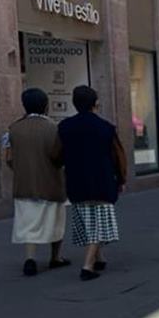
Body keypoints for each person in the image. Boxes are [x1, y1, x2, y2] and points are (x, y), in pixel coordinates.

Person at [58, 86, 127, 281]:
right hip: (102, 180)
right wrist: (121, 178)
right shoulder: (106, 127)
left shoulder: (65, 126)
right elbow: (118, 156)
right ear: (95, 103)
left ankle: (99, 257)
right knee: (100, 224)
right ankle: (87, 266)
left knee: (88, 220)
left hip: (76, 181)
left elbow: (57, 153)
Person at [6, 88, 69, 276]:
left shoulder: (13, 128)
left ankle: (30, 258)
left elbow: (8, 158)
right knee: (56, 221)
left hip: (24, 185)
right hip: (50, 183)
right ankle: (55, 257)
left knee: (28, 223)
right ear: (45, 105)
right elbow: (59, 156)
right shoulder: (54, 128)